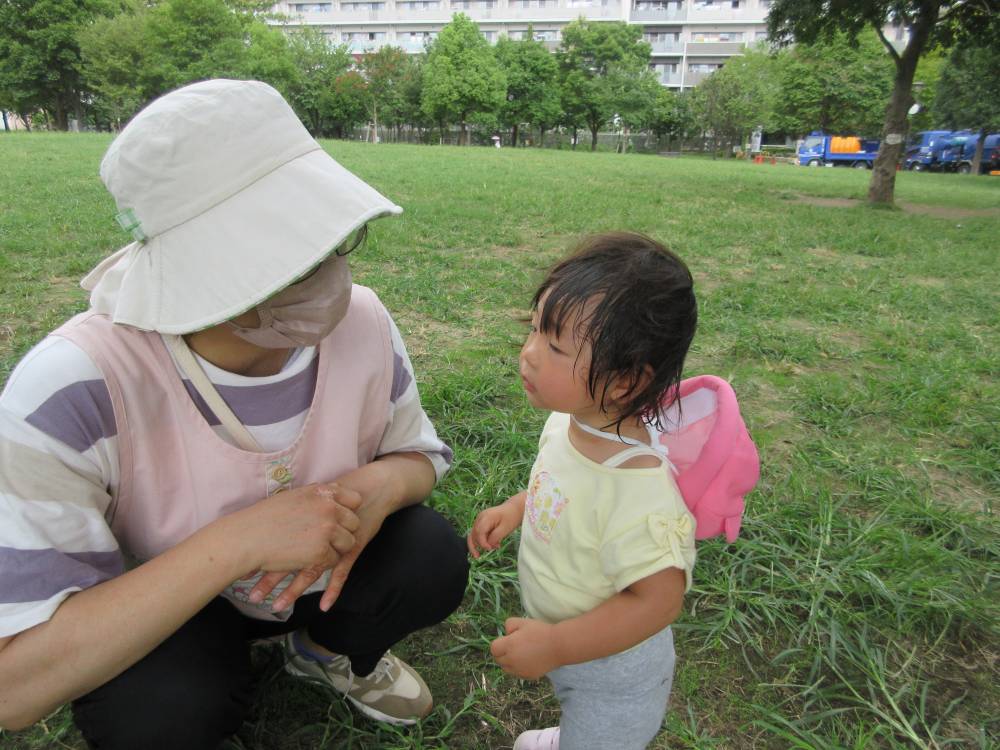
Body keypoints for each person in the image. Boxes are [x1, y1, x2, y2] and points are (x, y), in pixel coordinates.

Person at [0, 79, 469, 748]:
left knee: (428, 556)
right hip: (163, 612)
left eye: (335, 239)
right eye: (293, 249)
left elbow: (416, 456)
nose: (331, 267)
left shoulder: (363, 322)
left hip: (322, 576)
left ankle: (321, 649)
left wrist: (379, 487)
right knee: (158, 714)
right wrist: (237, 545)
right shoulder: (74, 385)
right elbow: (14, 687)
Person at [467, 232, 699, 750]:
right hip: (570, 652)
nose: (527, 354)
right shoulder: (571, 420)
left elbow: (658, 601)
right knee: (578, 718)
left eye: (554, 346)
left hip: (613, 669)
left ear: (622, 382)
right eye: (532, 330)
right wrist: (516, 508)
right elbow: (566, 487)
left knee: (600, 736)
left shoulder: (638, 490)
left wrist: (556, 644)